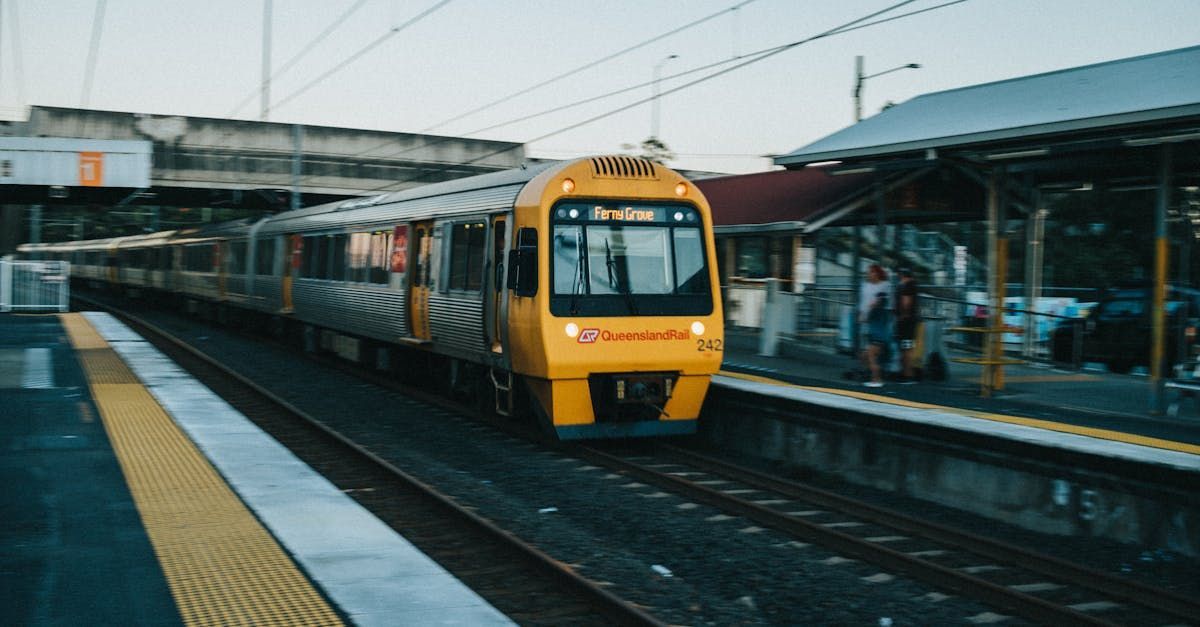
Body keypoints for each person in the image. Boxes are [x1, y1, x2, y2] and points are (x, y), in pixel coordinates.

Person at [858, 264, 891, 387]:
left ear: (877, 273)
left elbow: (881, 299)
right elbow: (864, 303)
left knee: (871, 354)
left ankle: (876, 379)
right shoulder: (865, 286)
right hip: (869, 324)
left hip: (877, 326)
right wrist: (862, 314)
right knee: (864, 355)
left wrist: (874, 305)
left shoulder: (884, 286)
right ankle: (872, 375)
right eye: (868, 272)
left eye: (872, 272)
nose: (869, 274)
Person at [894, 267, 920, 383]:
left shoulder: (908, 286)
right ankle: (905, 373)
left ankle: (908, 375)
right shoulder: (912, 285)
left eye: (899, 276)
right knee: (906, 348)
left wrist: (903, 315)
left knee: (906, 348)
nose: (898, 278)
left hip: (906, 323)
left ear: (903, 275)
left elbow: (906, 302)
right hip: (909, 322)